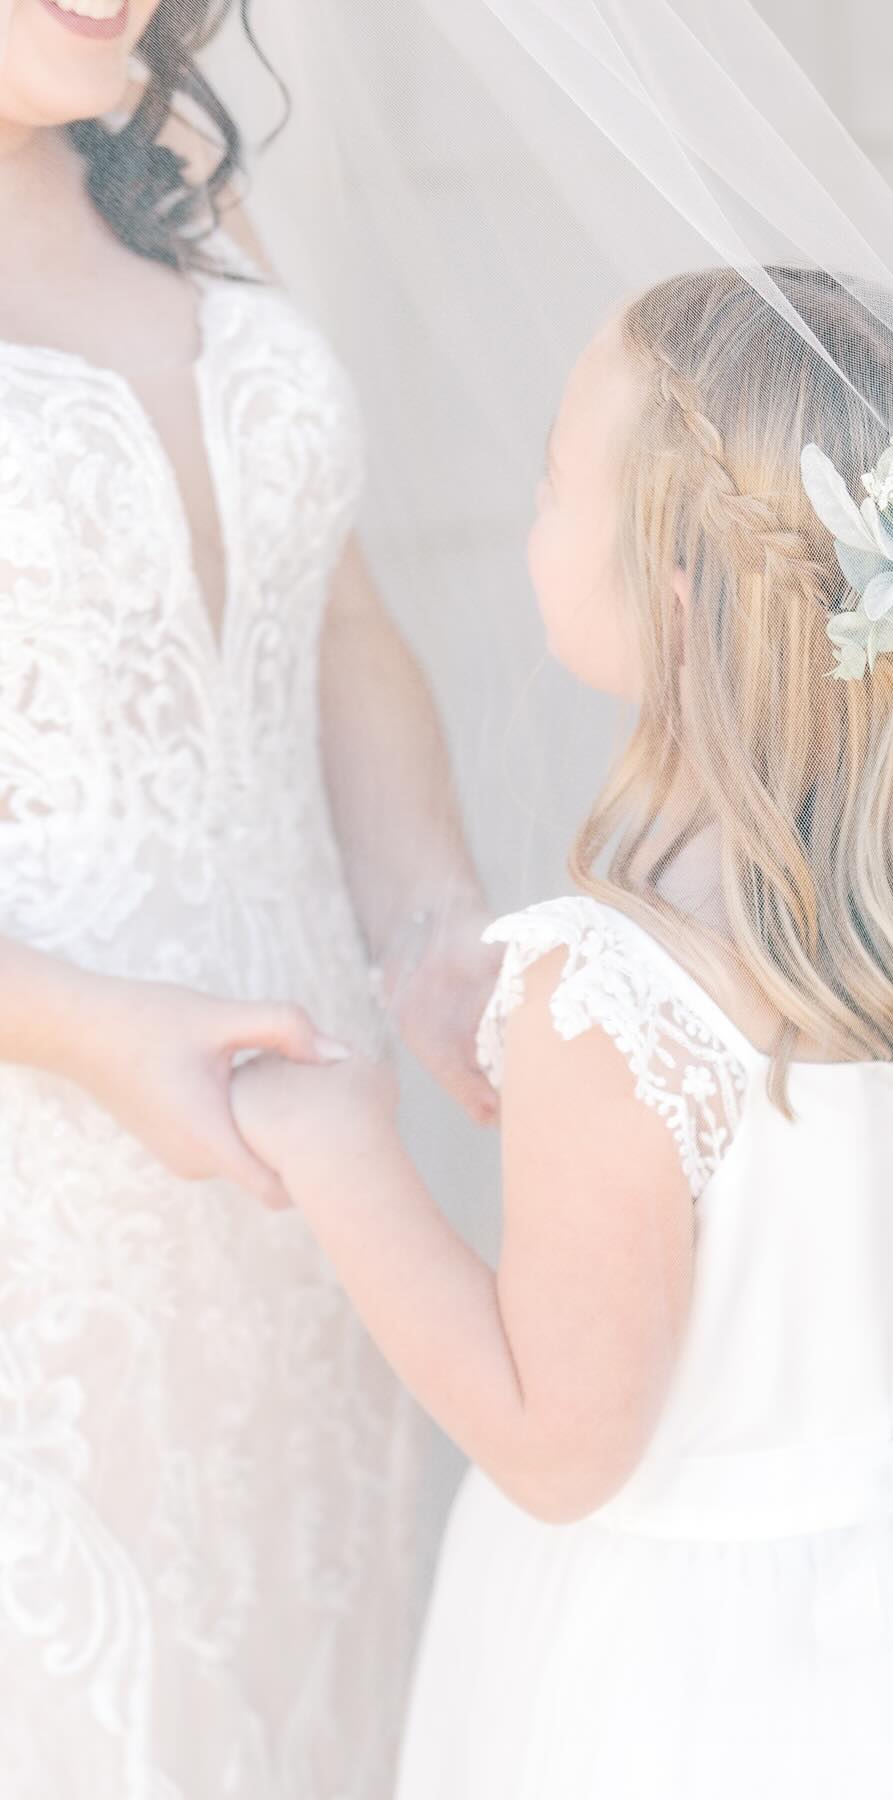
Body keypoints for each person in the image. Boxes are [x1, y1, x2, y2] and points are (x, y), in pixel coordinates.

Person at [231, 268, 893, 1799]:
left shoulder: (609, 988)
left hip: (689, 1682)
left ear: (674, 597)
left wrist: (340, 1147)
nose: (528, 504)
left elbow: (559, 1443)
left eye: (554, 474)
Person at [0, 2, 495, 1791]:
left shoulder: (177, 177)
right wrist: (86, 1030)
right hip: (40, 1221)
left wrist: (431, 927)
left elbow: (336, 621)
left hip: (315, 1193)